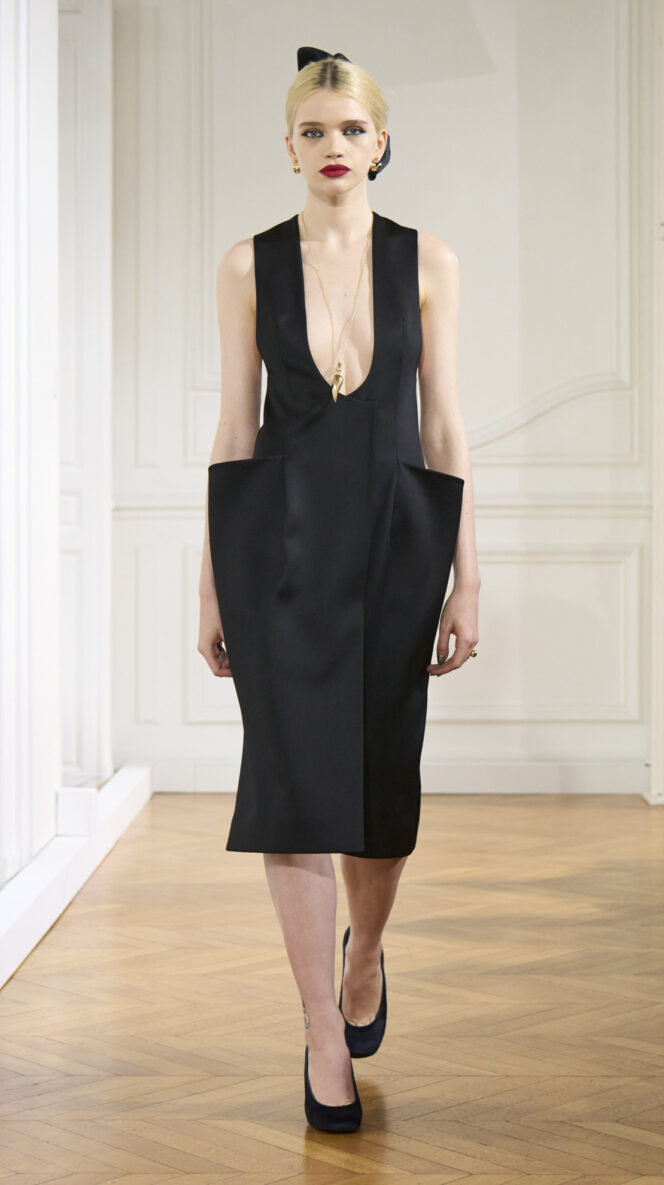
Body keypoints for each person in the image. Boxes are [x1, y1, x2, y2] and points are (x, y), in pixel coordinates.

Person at [197, 46, 481, 1132]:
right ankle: (322, 1029)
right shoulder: (247, 265)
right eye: (313, 131)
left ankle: (367, 957)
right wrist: (211, 583)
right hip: (274, 552)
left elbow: (445, 427)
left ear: (381, 142)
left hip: (399, 548)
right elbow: (234, 428)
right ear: (288, 148)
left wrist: (466, 577)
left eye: (351, 130)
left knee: (379, 800)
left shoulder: (427, 261)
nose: (332, 147)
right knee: (290, 790)